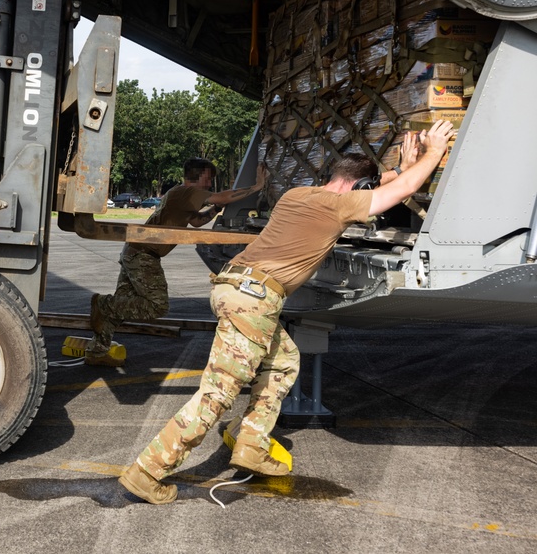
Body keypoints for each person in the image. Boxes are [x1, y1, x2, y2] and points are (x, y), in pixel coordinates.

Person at [118, 122, 453, 504]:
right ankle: (147, 470)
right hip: (254, 300)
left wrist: (401, 168)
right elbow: (401, 191)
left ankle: (251, 444)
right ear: (359, 189)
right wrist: (431, 153)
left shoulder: (297, 194)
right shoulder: (342, 206)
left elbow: (377, 187)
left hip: (234, 286)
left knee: (283, 363)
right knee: (218, 393)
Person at [86, 157, 267, 367]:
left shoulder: (182, 196)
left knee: (123, 305)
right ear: (197, 176)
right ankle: (102, 304)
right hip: (143, 254)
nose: (209, 184)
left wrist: (216, 209)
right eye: (208, 179)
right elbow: (222, 197)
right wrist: (257, 186)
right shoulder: (186, 192)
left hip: (136, 251)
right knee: (157, 306)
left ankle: (97, 350)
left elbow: (197, 221)